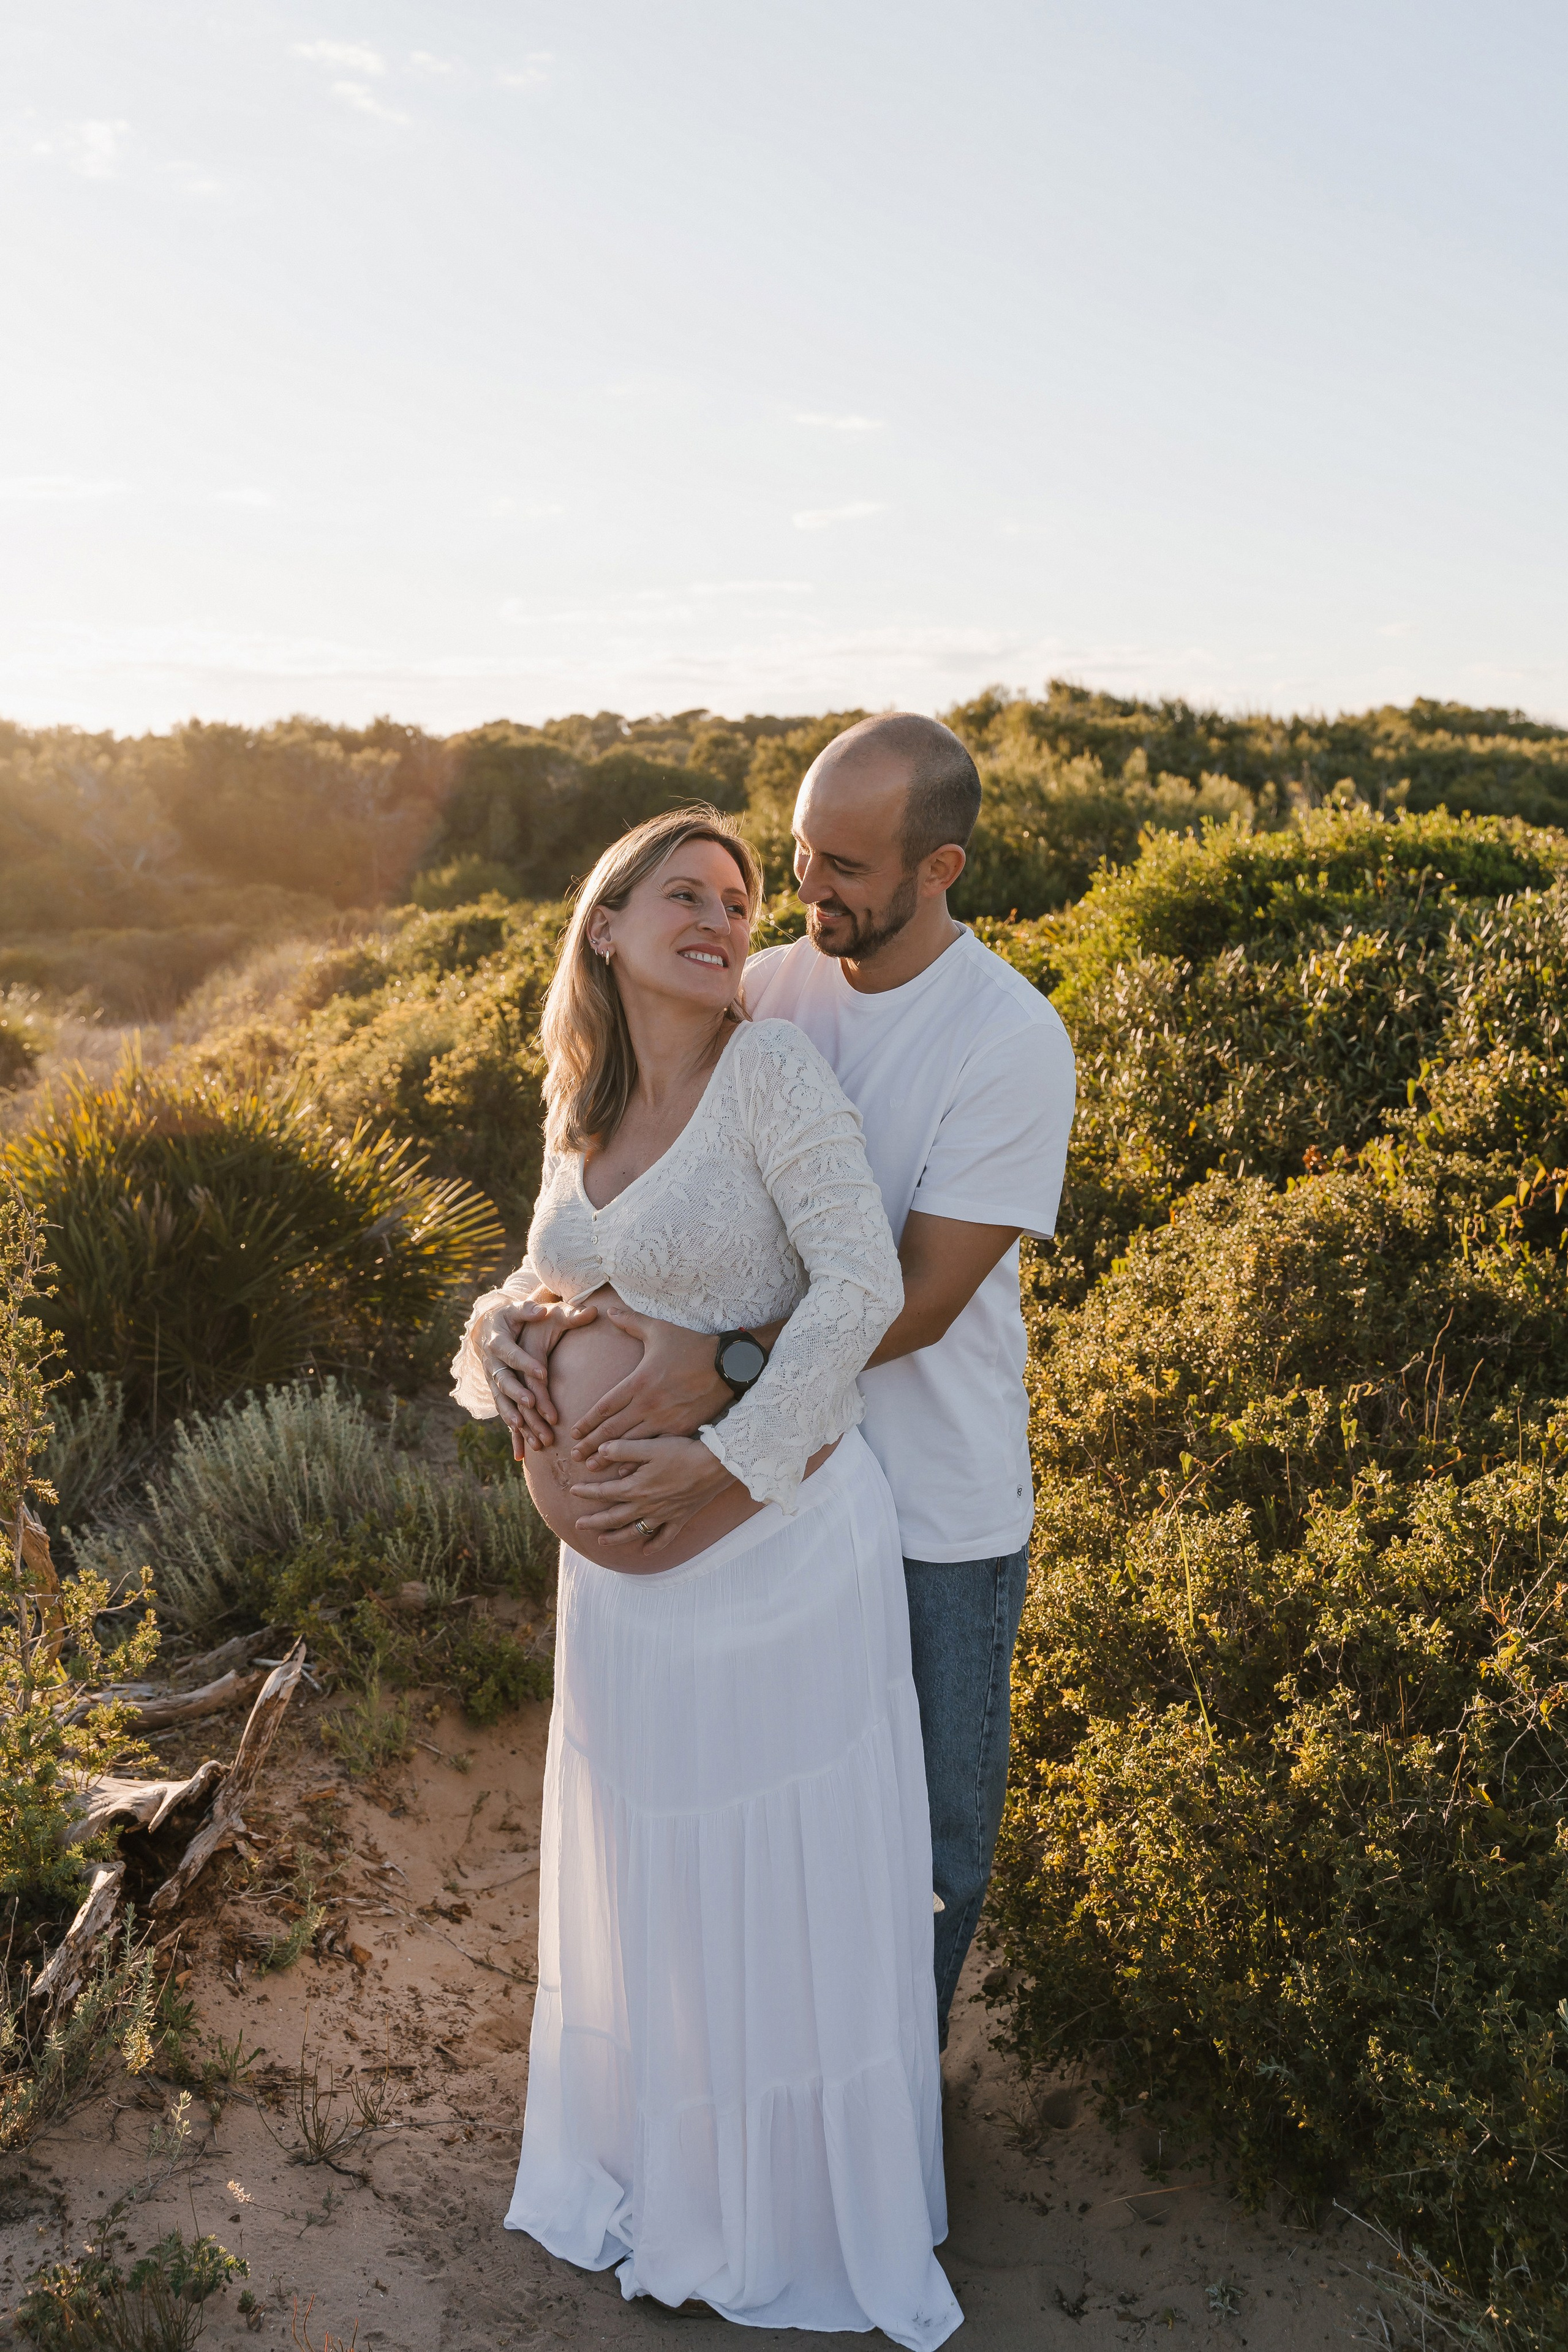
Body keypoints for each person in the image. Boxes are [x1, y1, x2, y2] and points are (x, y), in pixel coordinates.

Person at [483, 714, 1076, 2048]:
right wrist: (520, 1324)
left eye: (843, 868)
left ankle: (885, 2131)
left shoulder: (1006, 1038)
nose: (804, 896)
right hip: (767, 1518)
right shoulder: (778, 984)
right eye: (798, 858)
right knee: (786, 1830)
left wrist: (725, 1373)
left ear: (939, 869)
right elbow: (652, 1200)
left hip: (928, 1497)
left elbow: (917, 1294)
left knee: (926, 1850)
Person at [451, 805, 962, 2349]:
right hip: (622, 1604)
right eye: (682, 892)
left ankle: (785, 2212)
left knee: (775, 1883)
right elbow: (557, 1274)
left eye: (738, 899)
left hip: (777, 1563)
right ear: (602, 928)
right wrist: (497, 1333)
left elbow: (859, 1287)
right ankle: (673, 2176)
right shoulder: (580, 1101)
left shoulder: (772, 1075)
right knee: (666, 1885)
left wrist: (724, 1464)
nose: (721, 916)